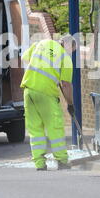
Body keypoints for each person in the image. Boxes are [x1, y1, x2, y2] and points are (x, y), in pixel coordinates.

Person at [20, 34, 76, 171]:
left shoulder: (42, 43)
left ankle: (40, 164)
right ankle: (62, 161)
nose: (71, 53)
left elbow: (24, 58)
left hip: (29, 91)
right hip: (46, 94)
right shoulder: (65, 58)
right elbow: (66, 85)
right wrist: (70, 104)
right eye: (72, 51)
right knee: (55, 128)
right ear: (69, 46)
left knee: (35, 129)